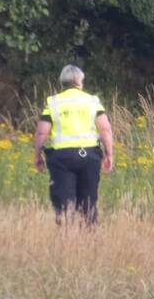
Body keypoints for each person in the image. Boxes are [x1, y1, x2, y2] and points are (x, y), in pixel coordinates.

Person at [33, 65, 114, 224]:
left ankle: (67, 235)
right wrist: (109, 154)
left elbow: (42, 132)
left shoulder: (53, 102)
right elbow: (105, 129)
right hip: (89, 157)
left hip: (62, 158)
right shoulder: (92, 101)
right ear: (80, 81)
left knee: (63, 204)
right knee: (88, 202)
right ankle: (89, 234)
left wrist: (37, 155)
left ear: (62, 82)